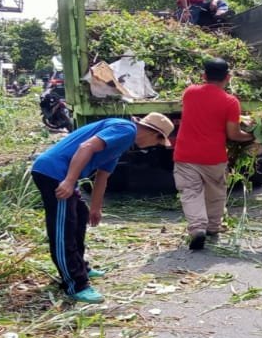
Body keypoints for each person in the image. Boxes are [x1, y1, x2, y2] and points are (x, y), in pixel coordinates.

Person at [29, 113, 175, 304]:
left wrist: (95, 208)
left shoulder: (121, 142)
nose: (154, 146)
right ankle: (75, 284)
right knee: (64, 229)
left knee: (80, 217)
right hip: (53, 172)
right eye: (158, 141)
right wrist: (70, 181)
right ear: (151, 132)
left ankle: (80, 267)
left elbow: (103, 176)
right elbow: (86, 147)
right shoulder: (125, 130)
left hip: (61, 174)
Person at [174, 58, 257, 251]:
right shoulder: (230, 102)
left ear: (204, 76)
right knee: (215, 193)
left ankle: (197, 229)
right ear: (228, 77)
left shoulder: (189, 93)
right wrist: (252, 136)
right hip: (213, 157)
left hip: (185, 154)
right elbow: (233, 134)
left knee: (190, 192)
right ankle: (212, 227)